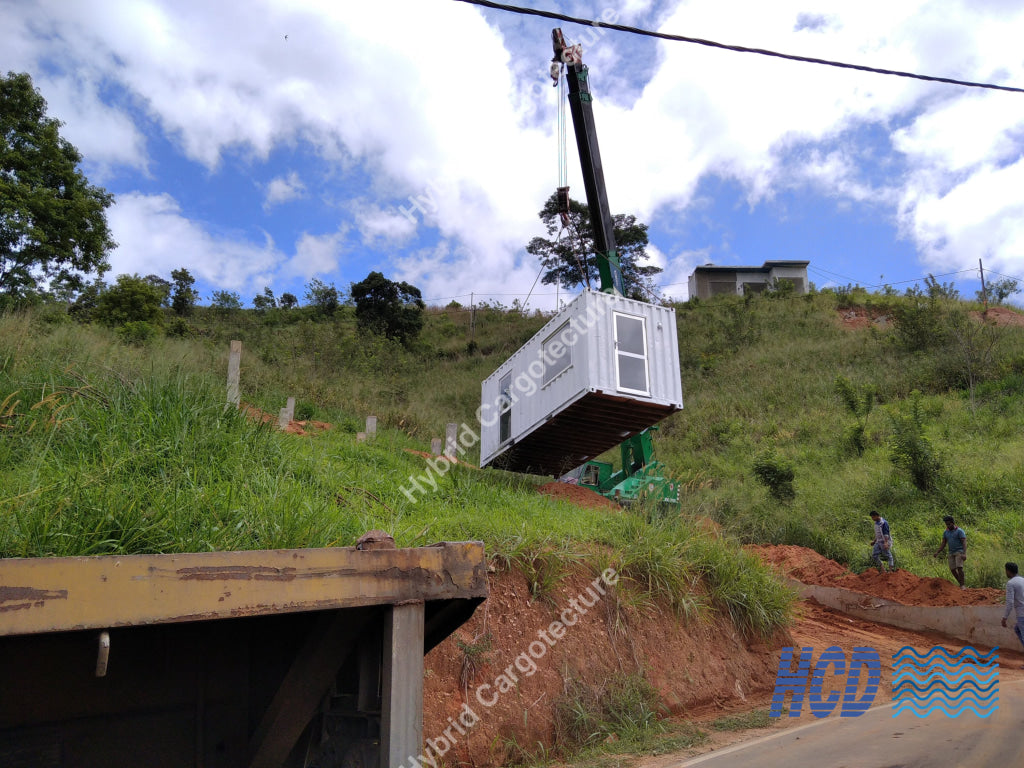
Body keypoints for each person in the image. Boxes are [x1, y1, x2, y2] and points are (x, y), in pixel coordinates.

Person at [1001, 562, 1024, 667]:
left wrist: (1004, 617)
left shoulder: (1011, 583)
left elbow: (1010, 603)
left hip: (1022, 614)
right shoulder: (1023, 580)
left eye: (1006, 570)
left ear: (1008, 571)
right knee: (1017, 629)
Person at [935, 515, 967, 587]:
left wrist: (964, 553)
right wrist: (937, 552)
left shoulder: (959, 531)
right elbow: (943, 543)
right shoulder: (946, 532)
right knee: (952, 569)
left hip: (959, 551)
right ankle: (960, 583)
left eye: (949, 524)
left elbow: (964, 542)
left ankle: (962, 585)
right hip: (951, 552)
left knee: (959, 567)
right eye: (946, 524)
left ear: (953, 523)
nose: (948, 525)